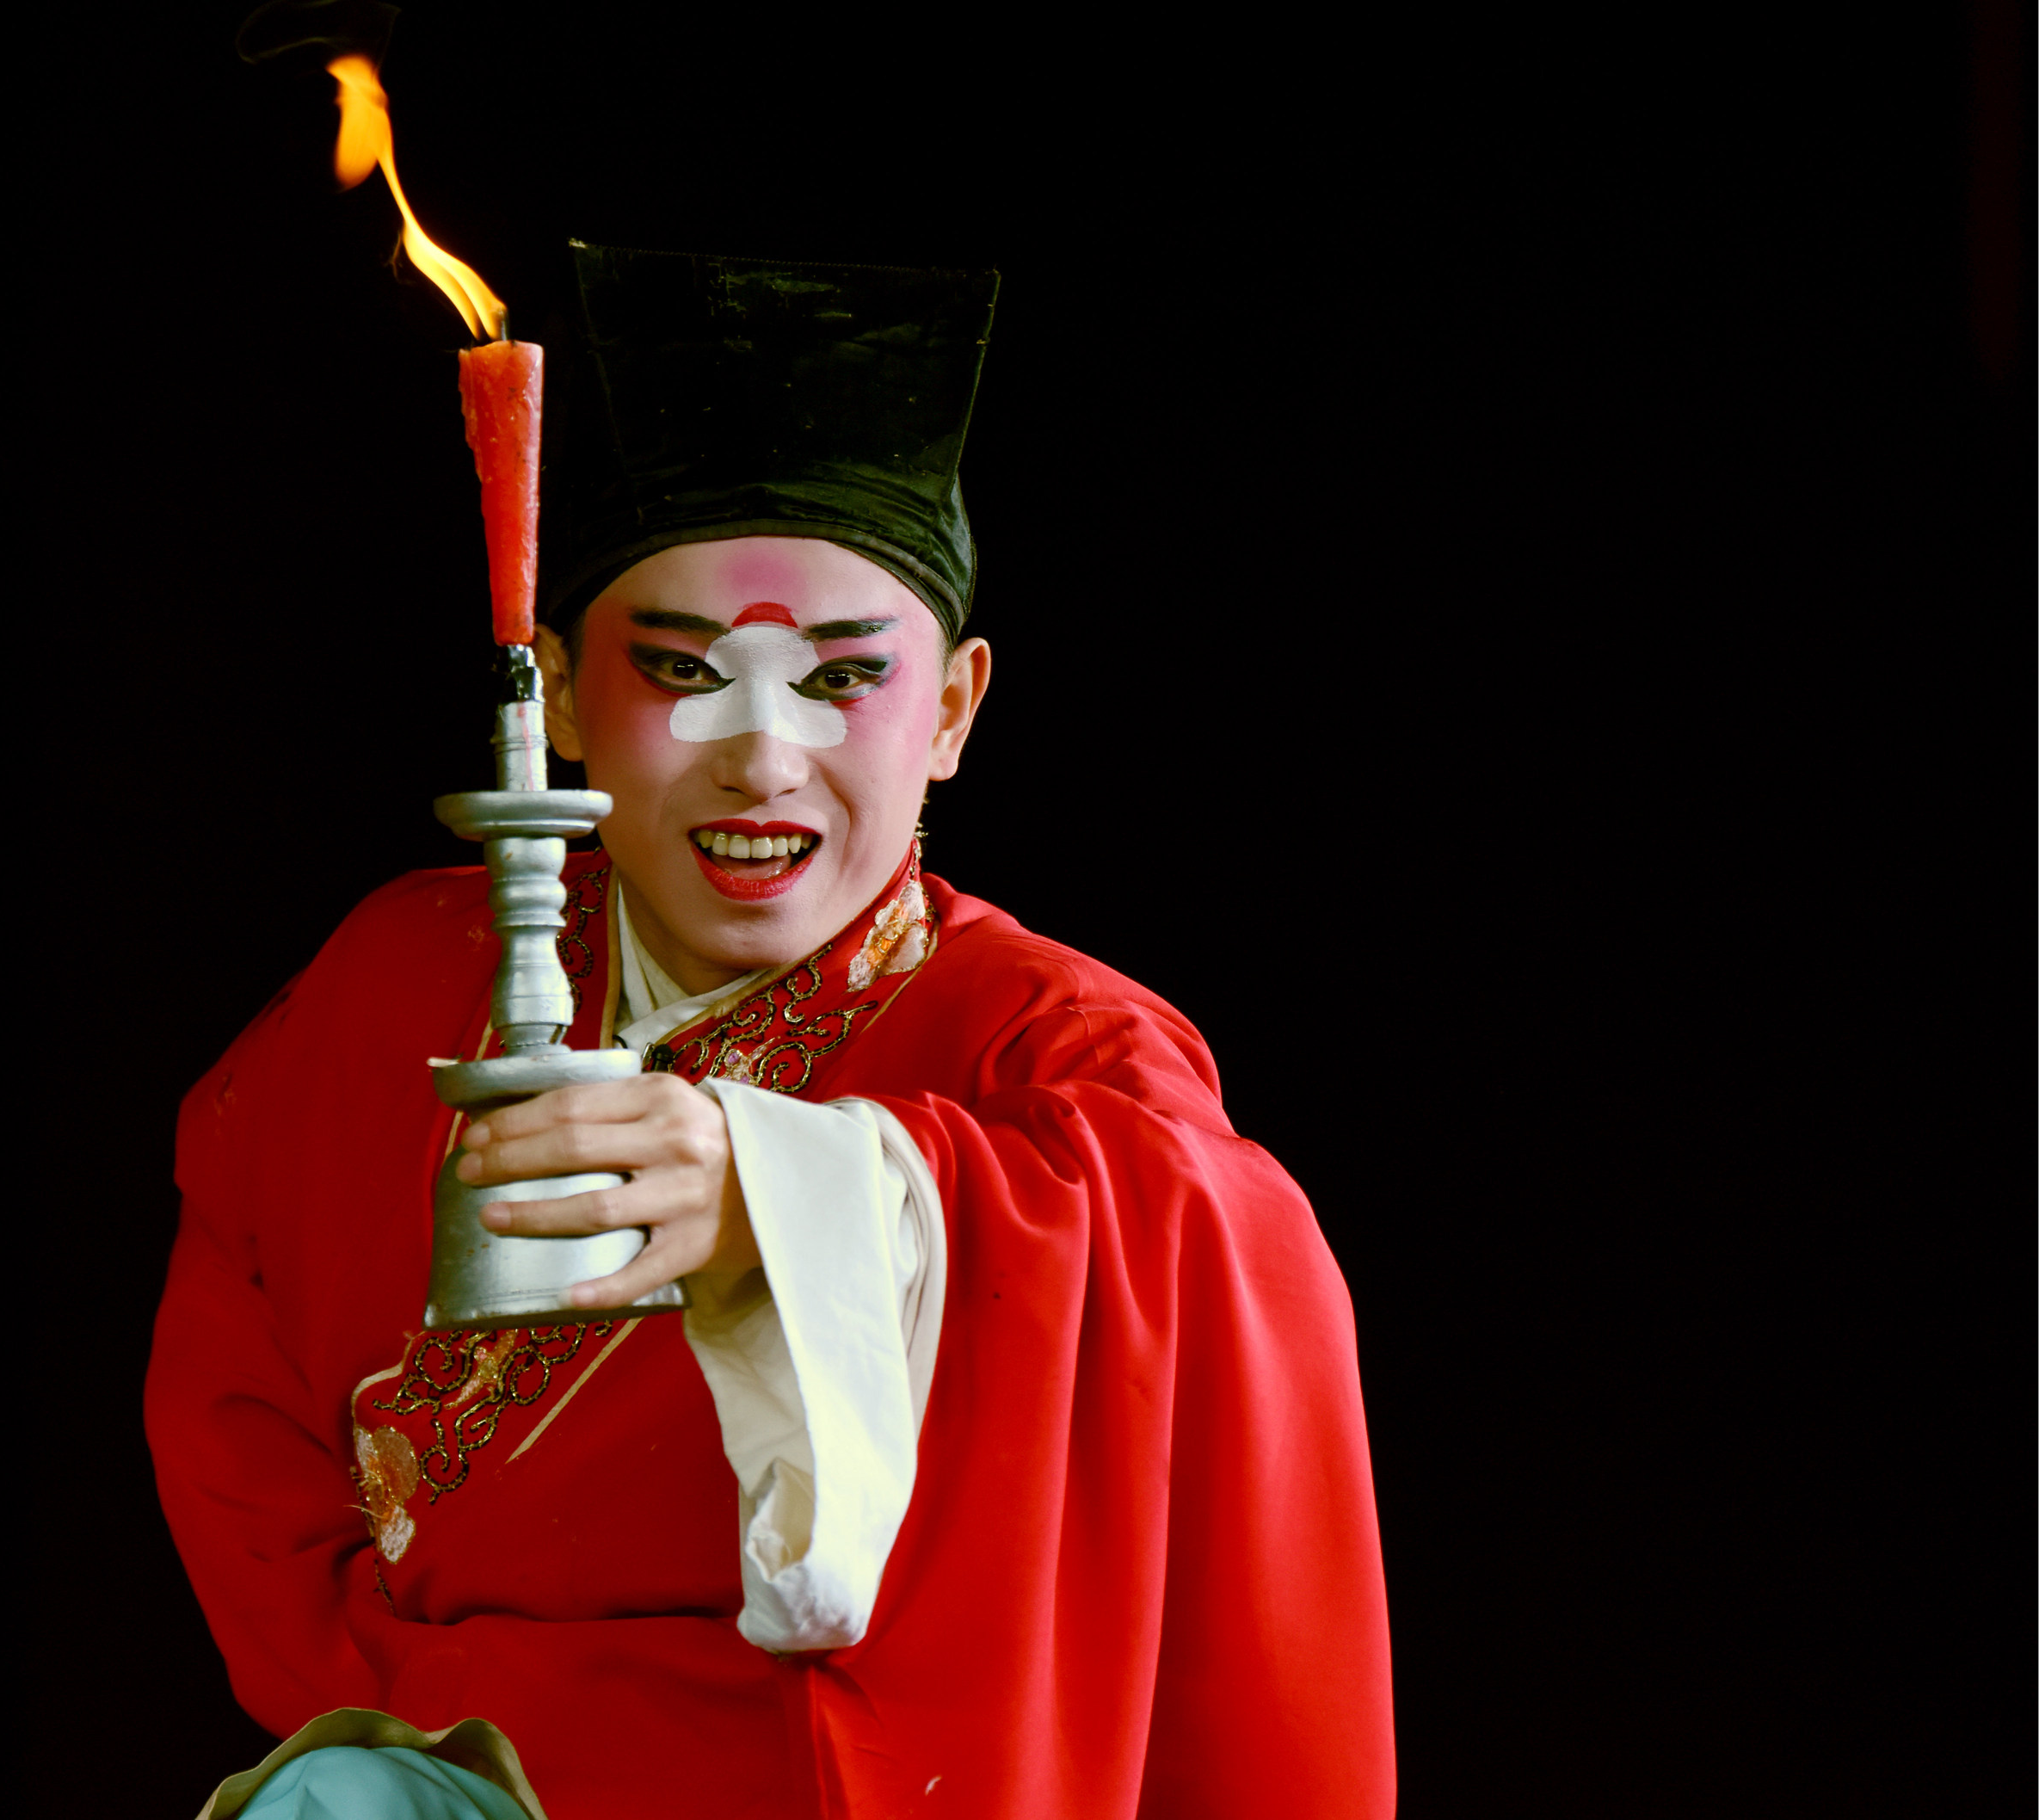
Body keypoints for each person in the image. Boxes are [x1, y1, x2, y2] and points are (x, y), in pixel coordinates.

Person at [146, 245, 1396, 1817]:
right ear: (562, 700)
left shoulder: (1050, 1043)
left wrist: (785, 1193)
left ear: (954, 711)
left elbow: (1221, 1259)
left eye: (846, 678)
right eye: (681, 670)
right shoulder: (402, 977)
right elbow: (237, 1388)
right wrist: (389, 1709)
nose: (763, 757)